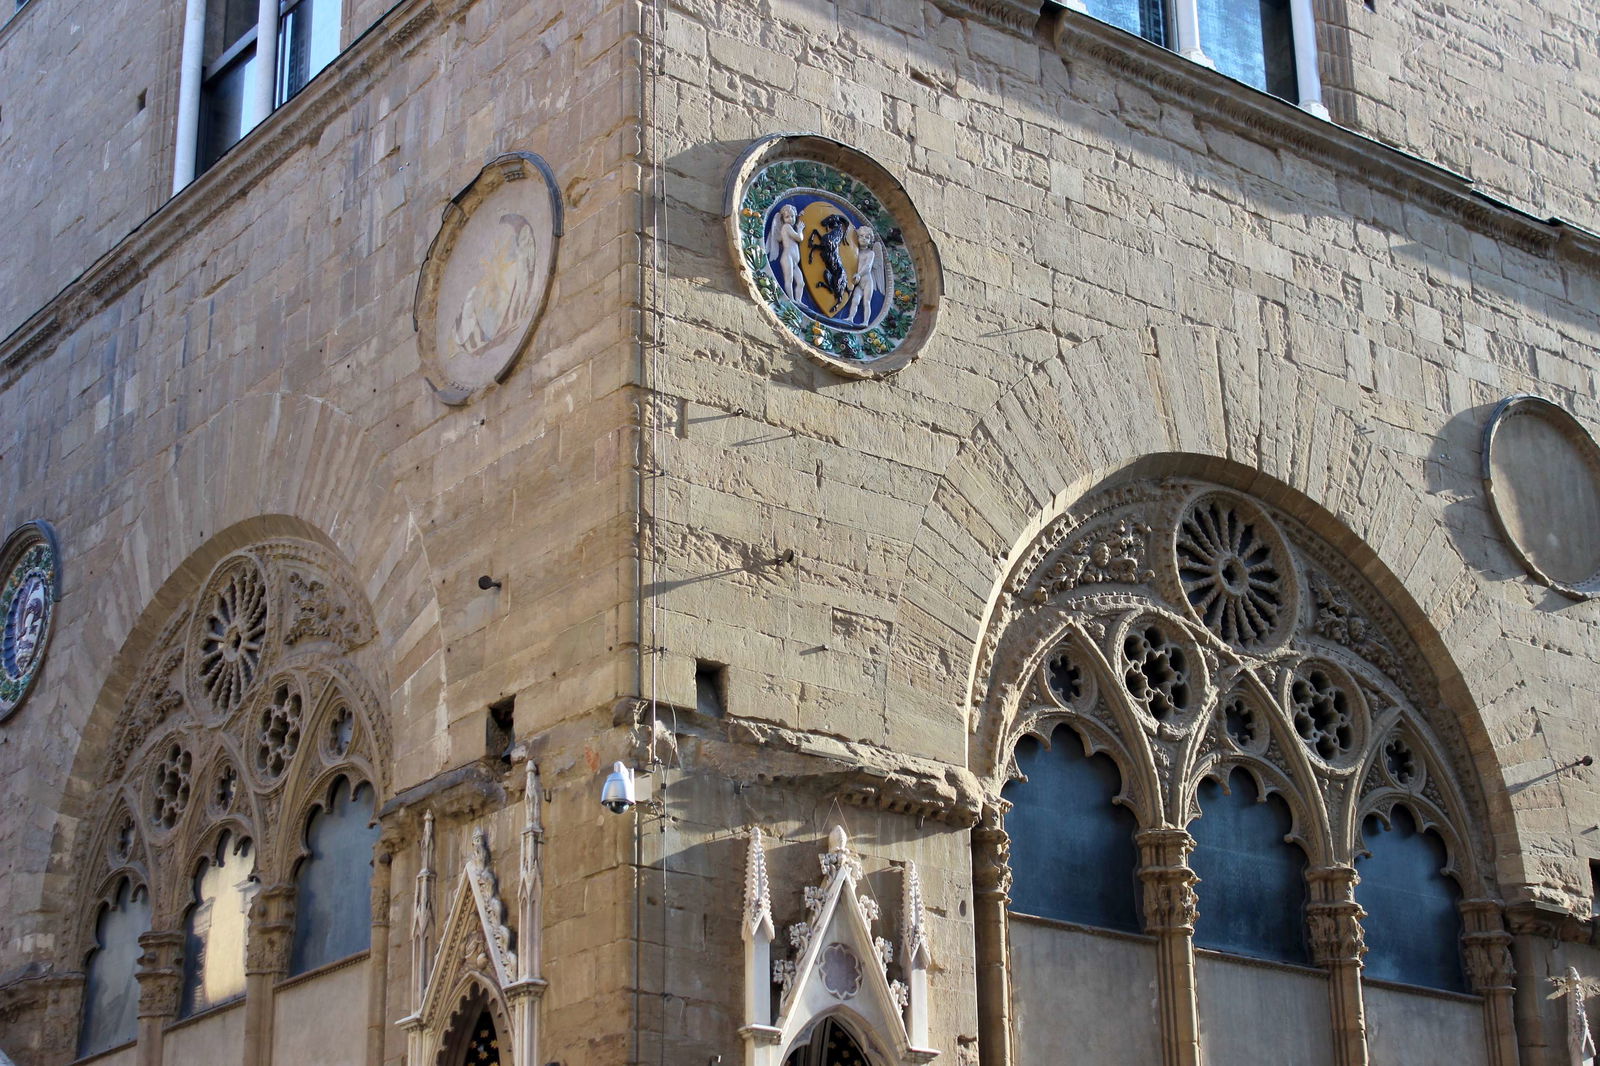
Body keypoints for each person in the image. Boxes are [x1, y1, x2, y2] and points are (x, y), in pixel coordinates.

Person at [766, 203, 806, 304]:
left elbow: (796, 222)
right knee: (789, 279)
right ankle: (791, 299)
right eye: (787, 217)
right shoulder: (786, 227)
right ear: (783, 219)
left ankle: (799, 301)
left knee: (801, 283)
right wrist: (800, 229)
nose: (790, 219)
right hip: (787, 257)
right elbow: (799, 238)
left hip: (795, 262)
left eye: (792, 216)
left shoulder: (791, 226)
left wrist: (800, 215)